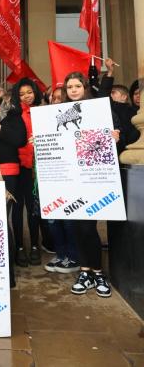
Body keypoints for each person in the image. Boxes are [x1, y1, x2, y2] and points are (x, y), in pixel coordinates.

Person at [62, 72, 121, 297]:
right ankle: (85, 272)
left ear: (85, 87)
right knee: (77, 227)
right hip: (69, 179)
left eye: (77, 86)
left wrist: (116, 137)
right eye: (69, 87)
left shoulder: (99, 109)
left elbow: (119, 132)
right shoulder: (58, 113)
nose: (73, 90)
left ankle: (97, 273)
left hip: (92, 178)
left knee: (88, 227)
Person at [0, 77, 27, 287]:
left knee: (3, 220)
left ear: (1, 92)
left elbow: (20, 138)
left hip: (6, 172)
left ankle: (7, 274)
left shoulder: (11, 112)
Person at [10, 78, 52, 266]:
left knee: (34, 208)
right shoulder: (12, 113)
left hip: (38, 167)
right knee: (18, 209)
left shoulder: (45, 113)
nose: (26, 96)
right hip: (18, 167)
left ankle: (34, 245)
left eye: (29, 92)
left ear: (35, 92)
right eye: (21, 93)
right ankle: (19, 247)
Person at [43, 87, 80, 274]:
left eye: (60, 97)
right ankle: (61, 253)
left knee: (68, 220)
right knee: (52, 220)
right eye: (53, 98)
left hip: (69, 178)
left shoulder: (73, 120)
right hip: (49, 178)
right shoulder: (44, 119)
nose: (56, 101)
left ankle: (73, 256)